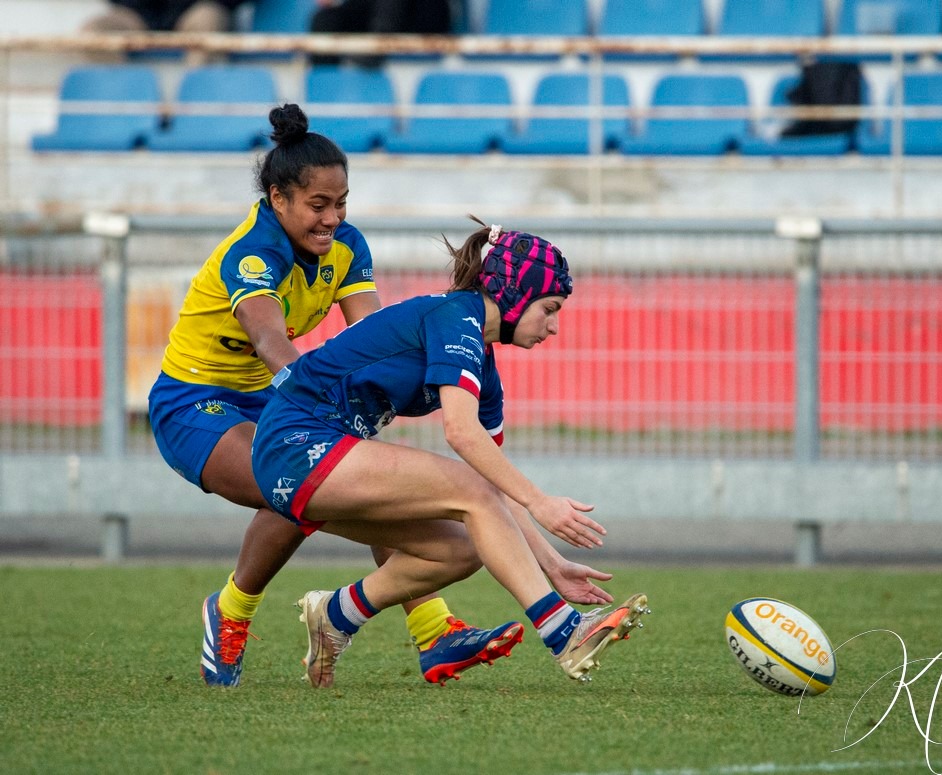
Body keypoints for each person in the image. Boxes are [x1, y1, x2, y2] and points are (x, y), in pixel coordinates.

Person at [147, 103, 519, 689]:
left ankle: (435, 635)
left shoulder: (346, 247)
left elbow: (372, 342)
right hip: (195, 403)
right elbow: (269, 336)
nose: (332, 218)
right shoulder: (253, 252)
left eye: (341, 203)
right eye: (318, 205)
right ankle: (230, 612)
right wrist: (315, 404)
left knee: (352, 482)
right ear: (278, 199)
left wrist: (430, 373)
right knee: (300, 481)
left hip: (274, 402)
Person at [250, 219, 650, 686]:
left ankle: (336, 615)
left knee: (460, 550)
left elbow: (490, 487)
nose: (554, 327)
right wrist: (541, 502)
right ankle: (564, 634)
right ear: (516, 295)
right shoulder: (457, 317)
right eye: (550, 308)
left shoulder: (483, 362)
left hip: (318, 460)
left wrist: (553, 563)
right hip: (292, 442)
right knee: (471, 494)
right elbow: (461, 435)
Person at [309, 0, 453, 67]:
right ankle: (325, 83)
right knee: (325, 19)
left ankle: (376, 47)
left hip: (423, 15)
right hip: (376, 13)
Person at [81, 0, 246, 33]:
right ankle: (122, 99)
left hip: (195, 11)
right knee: (96, 29)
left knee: (207, 19)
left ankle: (195, 94)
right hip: (140, 15)